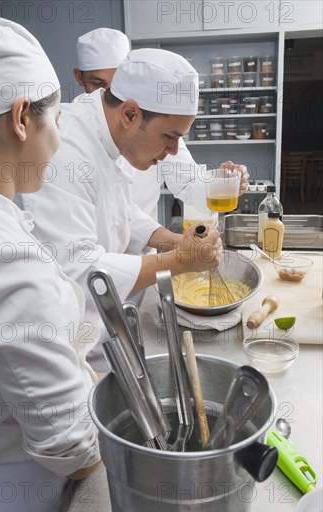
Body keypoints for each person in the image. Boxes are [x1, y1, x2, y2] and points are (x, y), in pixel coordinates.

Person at [0, 18, 100, 512]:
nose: (58, 141)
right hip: (8, 504)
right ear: (21, 118)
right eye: (55, 120)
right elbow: (68, 442)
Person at [18, 48, 224, 371]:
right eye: (169, 138)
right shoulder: (68, 152)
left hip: (107, 327)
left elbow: (120, 210)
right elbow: (81, 272)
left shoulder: (108, 129)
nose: (172, 152)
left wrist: (172, 240)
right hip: (70, 349)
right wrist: (179, 261)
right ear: (129, 114)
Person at [73, 28, 248, 220]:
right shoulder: (72, 133)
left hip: (146, 245)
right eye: (99, 84)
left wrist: (219, 182)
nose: (111, 94)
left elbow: (188, 182)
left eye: (117, 83)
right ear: (80, 78)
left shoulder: (157, 126)